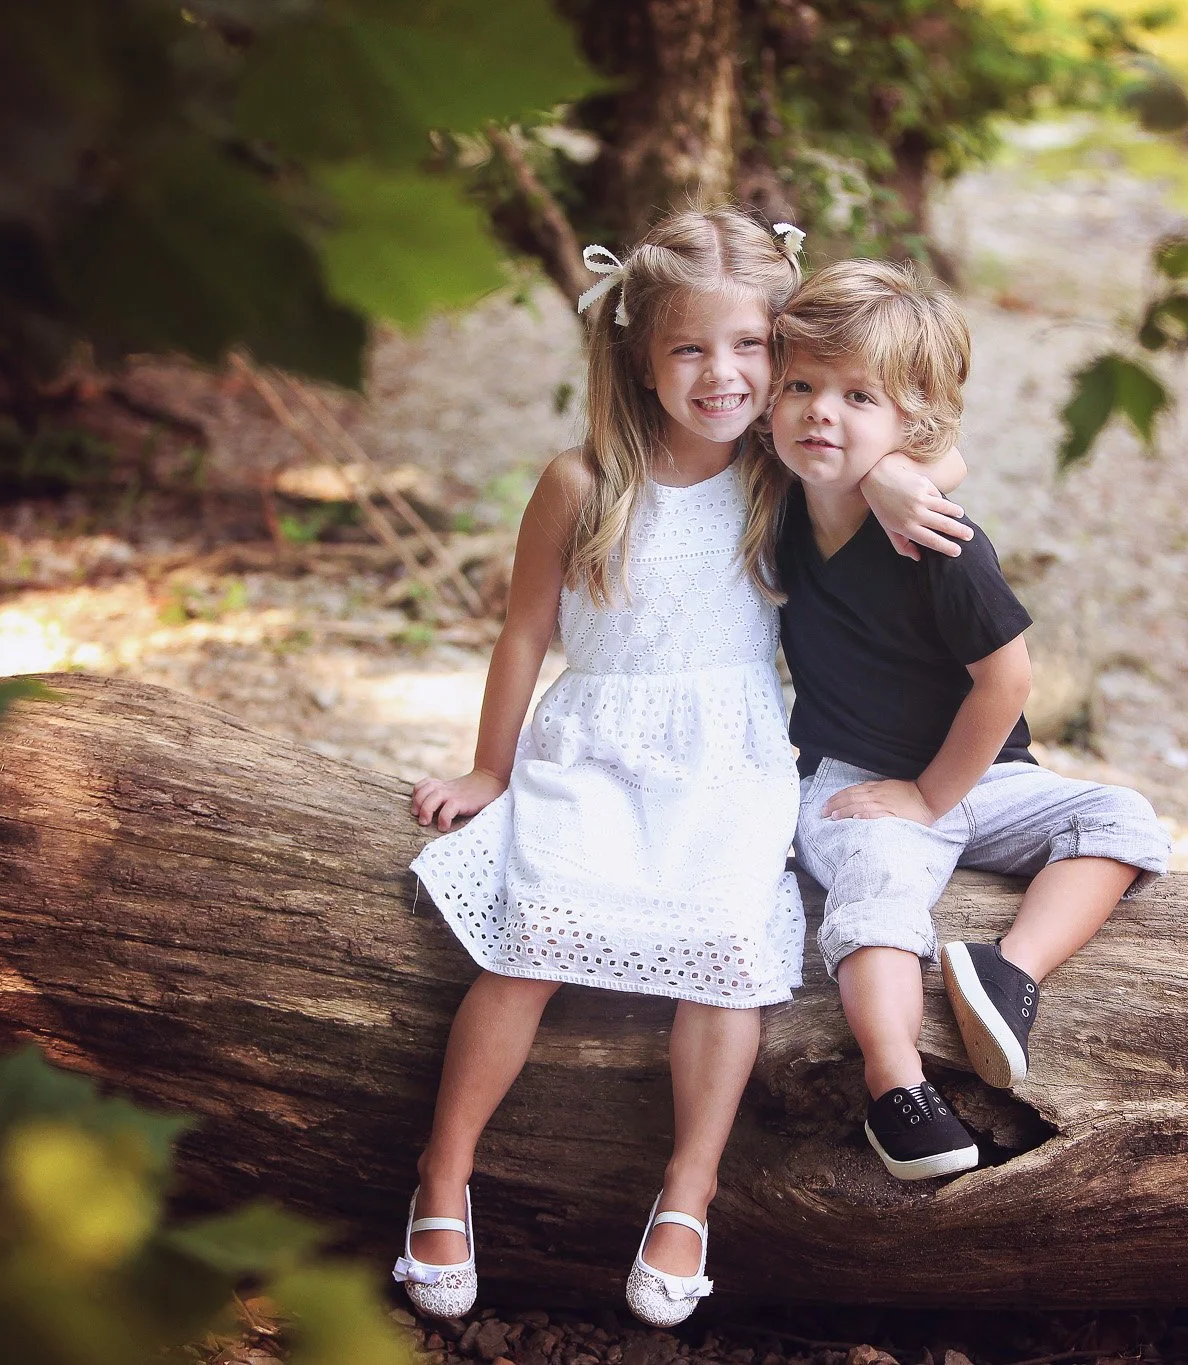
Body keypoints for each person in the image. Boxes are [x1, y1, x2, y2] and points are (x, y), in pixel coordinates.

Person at [392, 209, 966, 1327]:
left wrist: (903, 476)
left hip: (729, 759)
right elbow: (523, 633)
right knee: (528, 933)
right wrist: (488, 770)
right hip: (593, 749)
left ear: (782, 352)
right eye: (689, 348)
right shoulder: (582, 481)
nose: (723, 374)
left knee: (728, 950)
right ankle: (443, 1170)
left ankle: (688, 1190)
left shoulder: (781, 473)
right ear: (638, 355)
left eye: (750, 345)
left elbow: (926, 443)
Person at [769, 258, 1171, 1181]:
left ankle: (1009, 969)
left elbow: (1008, 678)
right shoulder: (776, 500)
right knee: (875, 891)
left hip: (981, 774)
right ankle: (897, 1084)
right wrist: (885, 469)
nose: (820, 411)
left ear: (910, 425)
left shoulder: (938, 541)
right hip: (853, 780)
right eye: (801, 386)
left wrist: (930, 794)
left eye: (857, 395)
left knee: (1122, 817)